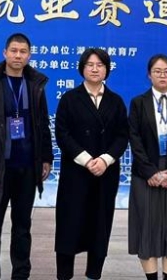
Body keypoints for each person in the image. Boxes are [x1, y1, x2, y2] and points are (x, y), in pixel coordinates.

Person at [0, 33, 53, 280]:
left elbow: (42, 124)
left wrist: (46, 158)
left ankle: (21, 275)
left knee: (22, 228)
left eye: (23, 52)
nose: (18, 56)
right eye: (13, 51)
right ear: (5, 53)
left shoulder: (35, 85)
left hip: (26, 168)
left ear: (29, 55)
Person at [55, 47, 129, 280]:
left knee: (100, 225)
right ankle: (64, 275)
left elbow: (122, 136)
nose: (95, 69)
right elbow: (62, 134)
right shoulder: (69, 99)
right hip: (76, 172)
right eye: (90, 65)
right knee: (69, 225)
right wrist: (87, 160)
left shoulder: (116, 101)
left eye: (100, 65)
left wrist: (105, 160)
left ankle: (93, 274)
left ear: (107, 69)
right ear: (82, 68)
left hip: (105, 173)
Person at [128, 54, 167, 280]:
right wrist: (149, 171)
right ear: (149, 75)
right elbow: (134, 138)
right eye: (157, 71)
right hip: (145, 173)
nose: (162, 75)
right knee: (147, 228)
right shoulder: (138, 103)